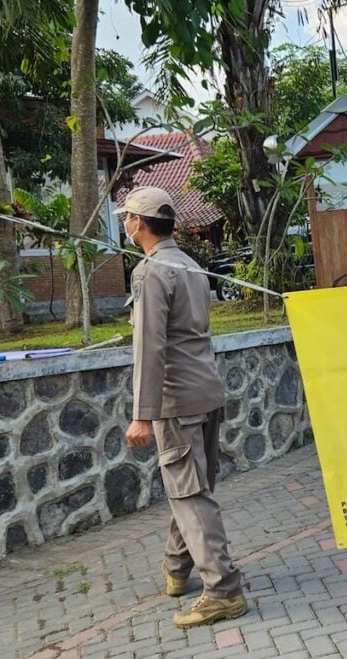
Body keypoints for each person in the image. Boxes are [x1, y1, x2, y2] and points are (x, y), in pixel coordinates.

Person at [119, 187, 247, 629]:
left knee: (190, 494)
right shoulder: (190, 265)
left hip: (176, 400)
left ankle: (223, 590)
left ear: (139, 223)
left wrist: (142, 414)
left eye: (128, 216)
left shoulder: (151, 272)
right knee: (192, 488)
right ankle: (177, 569)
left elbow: (149, 347)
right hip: (206, 393)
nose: (125, 223)